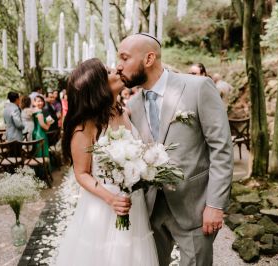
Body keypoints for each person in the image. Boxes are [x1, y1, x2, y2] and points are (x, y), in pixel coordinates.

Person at [117, 33, 233, 266]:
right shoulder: (132, 105)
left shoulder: (198, 87)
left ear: (149, 59)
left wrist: (215, 205)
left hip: (195, 206)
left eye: (124, 58)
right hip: (151, 210)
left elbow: (221, 147)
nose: (118, 66)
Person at [53, 58, 158, 265]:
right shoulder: (85, 126)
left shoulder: (123, 111)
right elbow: (81, 173)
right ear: (97, 86)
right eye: (109, 72)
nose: (117, 70)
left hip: (132, 202)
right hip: (103, 206)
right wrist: (111, 199)